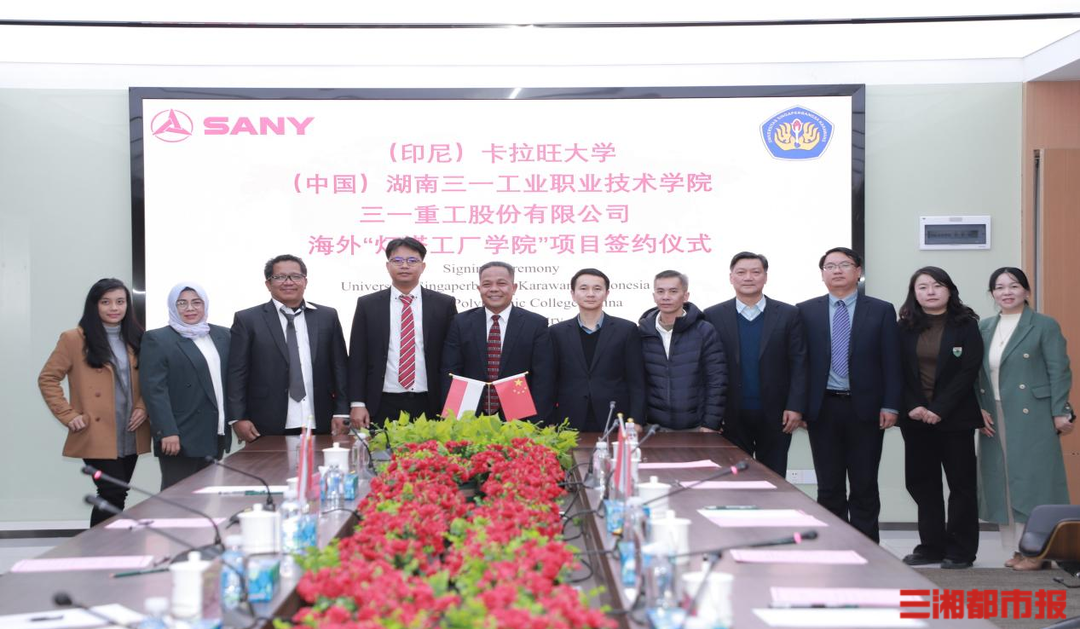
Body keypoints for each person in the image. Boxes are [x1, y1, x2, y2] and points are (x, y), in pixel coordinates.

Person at [797, 247, 901, 542]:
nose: (837, 271)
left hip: (866, 408)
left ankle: (867, 546)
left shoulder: (881, 310)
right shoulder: (805, 311)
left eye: (844, 265)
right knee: (828, 485)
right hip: (823, 408)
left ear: (858, 272)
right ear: (822, 275)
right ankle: (834, 545)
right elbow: (799, 364)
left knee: (864, 483)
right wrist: (800, 406)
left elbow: (892, 361)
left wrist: (891, 405)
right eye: (830, 266)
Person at [976, 267, 1073, 571]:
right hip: (994, 411)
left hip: (1033, 411)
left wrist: (1059, 411)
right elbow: (975, 374)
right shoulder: (984, 327)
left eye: (1014, 286)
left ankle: (1040, 550)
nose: (1006, 292)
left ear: (1027, 291)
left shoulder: (1044, 325)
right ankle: (1019, 548)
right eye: (999, 287)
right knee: (1002, 480)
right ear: (992, 293)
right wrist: (978, 409)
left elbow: (1059, 370)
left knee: (1034, 481)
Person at [38, 278, 150, 527]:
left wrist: (143, 406)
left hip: (130, 430)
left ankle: (109, 545)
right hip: (96, 431)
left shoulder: (138, 337)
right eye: (106, 302)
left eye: (120, 302)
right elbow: (48, 378)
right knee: (112, 492)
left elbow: (151, 379)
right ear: (94, 305)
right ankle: (99, 546)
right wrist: (68, 415)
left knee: (117, 494)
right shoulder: (73, 339)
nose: (114, 308)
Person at [896, 267, 982, 569]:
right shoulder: (904, 326)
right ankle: (931, 547)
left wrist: (940, 408)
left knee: (961, 486)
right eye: (922, 287)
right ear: (914, 293)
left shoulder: (966, 324)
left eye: (937, 285)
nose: (930, 292)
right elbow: (896, 370)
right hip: (916, 418)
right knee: (922, 483)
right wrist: (913, 405)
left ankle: (961, 550)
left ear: (949, 290)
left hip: (955, 418)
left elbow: (968, 371)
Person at [704, 252, 807, 476]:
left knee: (774, 477)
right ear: (731, 277)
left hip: (777, 414)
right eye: (741, 272)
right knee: (734, 479)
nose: (748, 277)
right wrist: (711, 414)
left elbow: (799, 364)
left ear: (765, 277)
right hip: (730, 414)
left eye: (755, 272)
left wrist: (796, 406)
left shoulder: (789, 314)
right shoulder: (712, 315)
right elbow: (707, 369)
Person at [341, 237, 457, 431]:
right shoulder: (368, 305)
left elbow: (452, 357)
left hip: (430, 403)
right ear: (388, 266)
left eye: (412, 260)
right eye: (397, 260)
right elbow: (358, 357)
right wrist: (357, 403)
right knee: (380, 451)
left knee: (431, 451)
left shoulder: (443, 304)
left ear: (423, 266)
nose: (404, 266)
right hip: (382, 402)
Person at [227, 254, 348, 440]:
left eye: (295, 276)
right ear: (268, 284)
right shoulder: (247, 320)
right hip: (266, 421)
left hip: (320, 418)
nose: (288, 282)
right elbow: (237, 373)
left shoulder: (327, 316)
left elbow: (340, 367)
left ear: (305, 281)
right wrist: (238, 417)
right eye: (280, 277)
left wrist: (342, 411)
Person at [140, 283, 231, 489]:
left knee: (206, 496)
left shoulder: (224, 335)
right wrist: (167, 431)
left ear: (205, 305)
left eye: (196, 302)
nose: (190, 308)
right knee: (177, 497)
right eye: (181, 303)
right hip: (180, 434)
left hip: (214, 431)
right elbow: (154, 391)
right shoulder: (158, 339)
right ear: (173, 306)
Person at [441, 261, 554, 420]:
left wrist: (535, 423)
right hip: (469, 414)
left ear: (514, 288)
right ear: (479, 289)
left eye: (501, 283)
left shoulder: (535, 324)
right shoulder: (460, 323)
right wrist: (453, 417)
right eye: (487, 284)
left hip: (520, 416)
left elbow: (543, 378)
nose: (494, 289)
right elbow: (450, 371)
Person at [549, 268, 645, 431]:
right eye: (583, 288)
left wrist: (636, 420)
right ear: (573, 294)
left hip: (615, 417)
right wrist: (549, 420)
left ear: (607, 294)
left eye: (597, 289)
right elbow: (550, 380)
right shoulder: (556, 332)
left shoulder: (626, 330)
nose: (590, 294)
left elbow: (636, 380)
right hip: (568, 418)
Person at [638, 270, 726, 432]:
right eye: (660, 291)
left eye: (673, 291)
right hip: (652, 427)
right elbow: (636, 381)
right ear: (654, 296)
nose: (666, 297)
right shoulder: (642, 332)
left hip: (696, 427)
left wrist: (711, 423)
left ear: (685, 296)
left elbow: (716, 380)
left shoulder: (704, 331)